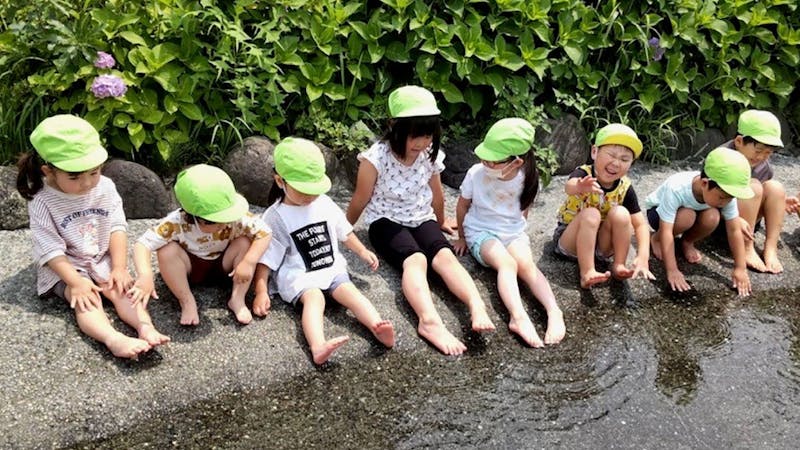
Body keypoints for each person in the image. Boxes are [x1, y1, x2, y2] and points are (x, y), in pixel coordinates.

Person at [346, 85, 495, 356]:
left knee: (445, 257)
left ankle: (476, 305)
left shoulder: (429, 155)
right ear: (393, 126)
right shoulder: (375, 158)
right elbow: (360, 198)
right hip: (385, 220)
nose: (421, 143)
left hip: (420, 215)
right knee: (416, 260)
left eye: (427, 135)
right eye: (415, 136)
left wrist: (441, 220)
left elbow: (436, 193)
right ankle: (429, 321)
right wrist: (344, 230)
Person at [16, 114, 169, 359]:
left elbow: (116, 226)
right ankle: (113, 339)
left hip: (99, 256)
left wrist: (119, 267)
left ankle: (145, 327)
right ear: (49, 171)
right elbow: (50, 249)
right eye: (74, 176)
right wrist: (75, 283)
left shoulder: (105, 186)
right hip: (65, 266)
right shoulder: (42, 200)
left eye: (94, 172)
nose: (87, 183)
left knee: (121, 289)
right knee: (87, 301)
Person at [252, 138, 395, 365]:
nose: (310, 197)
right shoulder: (276, 216)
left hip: (330, 266)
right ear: (280, 181)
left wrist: (361, 251)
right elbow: (266, 258)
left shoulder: (324, 203)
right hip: (299, 274)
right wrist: (261, 290)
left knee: (351, 292)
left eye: (314, 190)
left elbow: (343, 231)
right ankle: (318, 345)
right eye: (303, 191)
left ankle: (377, 326)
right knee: (315, 299)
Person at [453, 118, 565, 347]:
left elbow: (524, 211)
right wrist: (463, 237)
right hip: (481, 231)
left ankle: (554, 311)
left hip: (512, 232)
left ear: (515, 162)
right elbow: (462, 205)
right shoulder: (476, 174)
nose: (486, 163)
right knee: (507, 264)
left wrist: (518, 235)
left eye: (493, 161)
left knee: (526, 265)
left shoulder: (528, 178)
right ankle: (518, 316)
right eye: (484, 157)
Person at [132, 164, 271, 325]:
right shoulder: (176, 223)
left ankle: (237, 299)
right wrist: (145, 275)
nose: (223, 224)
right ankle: (186, 301)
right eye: (215, 221)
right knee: (166, 250)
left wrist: (249, 261)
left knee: (244, 242)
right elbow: (142, 244)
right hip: (191, 267)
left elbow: (265, 233)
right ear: (192, 216)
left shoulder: (235, 217)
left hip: (226, 265)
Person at [553, 123, 655, 289]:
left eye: (624, 159)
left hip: (602, 245)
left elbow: (640, 224)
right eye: (611, 155)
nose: (616, 163)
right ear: (594, 152)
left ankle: (619, 264)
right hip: (571, 239)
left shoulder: (625, 187)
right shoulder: (584, 174)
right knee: (591, 214)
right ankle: (587, 272)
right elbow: (569, 187)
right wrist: (579, 187)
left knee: (622, 213)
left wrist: (643, 256)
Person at [645, 147, 755, 296]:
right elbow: (667, 230)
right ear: (704, 183)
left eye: (729, 198)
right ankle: (655, 239)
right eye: (722, 198)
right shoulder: (677, 188)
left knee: (713, 216)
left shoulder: (725, 194)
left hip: (694, 212)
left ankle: (687, 241)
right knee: (687, 216)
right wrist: (672, 270)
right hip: (658, 214)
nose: (725, 202)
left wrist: (740, 268)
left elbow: (734, 229)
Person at [716, 110, 786, 273]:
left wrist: (780, 202)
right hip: (725, 222)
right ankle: (746, 248)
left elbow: (762, 195)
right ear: (739, 141)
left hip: (749, 224)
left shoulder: (764, 167)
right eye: (758, 150)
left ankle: (770, 248)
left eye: (768, 153)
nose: (762, 157)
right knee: (753, 185)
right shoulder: (721, 159)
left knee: (776, 188)